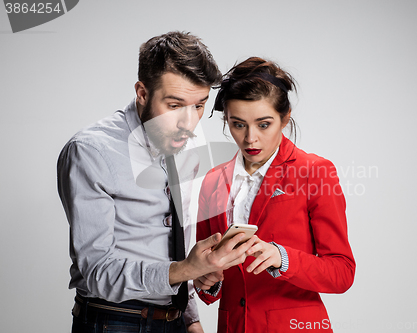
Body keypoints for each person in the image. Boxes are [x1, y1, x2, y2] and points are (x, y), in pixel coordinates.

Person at [57, 32, 256, 333]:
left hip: (173, 319)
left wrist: (191, 318)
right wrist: (188, 269)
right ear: (142, 93)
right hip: (114, 321)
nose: (189, 123)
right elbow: (96, 271)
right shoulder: (91, 152)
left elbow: (177, 242)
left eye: (199, 106)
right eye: (175, 106)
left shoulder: (185, 145)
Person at [194, 57, 356, 333]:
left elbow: (341, 273)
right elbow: (206, 274)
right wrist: (207, 278)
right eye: (238, 124)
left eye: (264, 124)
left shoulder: (314, 171)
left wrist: (283, 257)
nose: (250, 138)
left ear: (285, 118)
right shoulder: (212, 181)